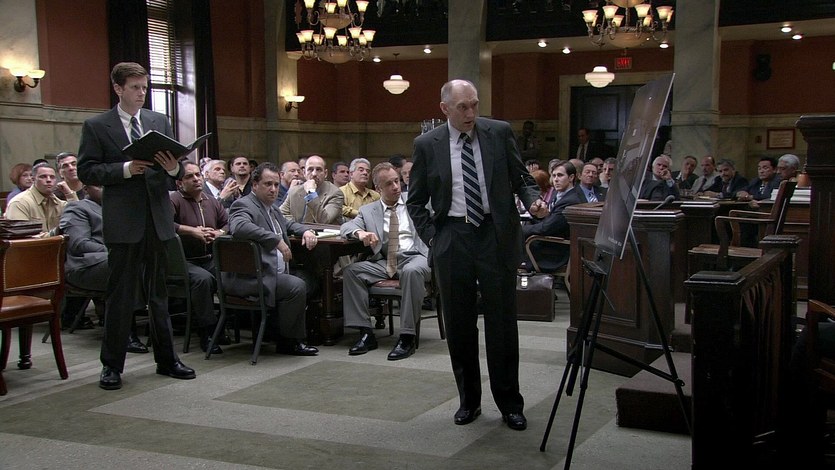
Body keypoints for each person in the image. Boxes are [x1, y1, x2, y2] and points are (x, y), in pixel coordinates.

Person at [407, 79, 548, 431]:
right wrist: (434, 239)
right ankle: (469, 401)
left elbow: (522, 178)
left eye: (474, 104)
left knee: (502, 323)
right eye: (462, 107)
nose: (471, 113)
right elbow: (416, 201)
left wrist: (533, 200)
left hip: (494, 234)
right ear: (445, 109)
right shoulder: (427, 144)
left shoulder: (498, 132)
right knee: (459, 324)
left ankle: (510, 403)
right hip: (452, 236)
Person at [77, 61, 195, 390]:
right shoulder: (97, 126)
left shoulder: (158, 121)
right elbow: (86, 170)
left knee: (159, 295)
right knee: (121, 296)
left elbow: (178, 166)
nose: (142, 93)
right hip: (123, 221)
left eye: (145, 87)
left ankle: (167, 360)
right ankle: (111, 365)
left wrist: (174, 169)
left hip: (158, 219)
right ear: (118, 88)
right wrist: (125, 169)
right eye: (135, 87)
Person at [226, 162, 320, 356]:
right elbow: (239, 227)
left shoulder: (273, 208)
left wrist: (306, 231)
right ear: (255, 185)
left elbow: (289, 224)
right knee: (297, 285)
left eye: (276, 185)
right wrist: (275, 240)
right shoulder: (243, 204)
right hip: (250, 277)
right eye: (268, 184)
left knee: (311, 278)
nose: (274, 189)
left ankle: (277, 331)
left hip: (271, 272)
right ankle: (289, 342)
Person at [340, 162, 430, 360]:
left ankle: (407, 336)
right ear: (378, 188)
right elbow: (345, 228)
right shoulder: (368, 211)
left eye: (397, 181)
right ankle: (365, 332)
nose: (396, 187)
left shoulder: (415, 201)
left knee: (411, 271)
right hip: (386, 261)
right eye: (389, 184)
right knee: (352, 272)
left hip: (416, 256)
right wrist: (360, 232)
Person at [59, 185, 148, 351]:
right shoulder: (77, 208)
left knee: (151, 260)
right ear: (86, 189)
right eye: (99, 186)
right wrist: (116, 250)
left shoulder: (120, 208)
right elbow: (79, 244)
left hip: (115, 260)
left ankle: (170, 320)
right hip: (85, 265)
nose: (105, 189)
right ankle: (124, 333)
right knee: (125, 264)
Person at [170, 161, 229, 354]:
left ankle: (222, 326)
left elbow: (229, 223)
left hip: (209, 258)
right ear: (179, 182)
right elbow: (163, 223)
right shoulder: (173, 200)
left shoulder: (211, 201)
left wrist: (219, 232)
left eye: (198, 175)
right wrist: (191, 231)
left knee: (229, 275)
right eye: (189, 176)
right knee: (203, 280)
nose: (196, 179)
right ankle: (207, 333)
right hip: (182, 262)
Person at [522, 162, 582, 273]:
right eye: (553, 176)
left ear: (571, 177)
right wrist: (538, 215)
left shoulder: (571, 200)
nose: (556, 179)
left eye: (560, 175)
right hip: (547, 241)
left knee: (512, 240)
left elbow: (546, 228)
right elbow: (549, 221)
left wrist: (519, 230)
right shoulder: (557, 194)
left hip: (554, 252)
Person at [6, 162, 78, 233]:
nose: (49, 180)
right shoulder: (20, 203)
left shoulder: (56, 202)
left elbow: (78, 216)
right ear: (33, 179)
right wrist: (55, 234)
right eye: (43, 177)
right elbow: (22, 235)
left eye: (52, 177)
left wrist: (69, 194)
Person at [280, 154, 344, 224]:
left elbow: (324, 220)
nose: (314, 174)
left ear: (325, 173)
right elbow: (280, 214)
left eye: (318, 170)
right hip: (297, 230)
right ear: (304, 173)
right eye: (310, 169)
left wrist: (311, 193)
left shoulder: (335, 193)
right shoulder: (295, 191)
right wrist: (296, 226)